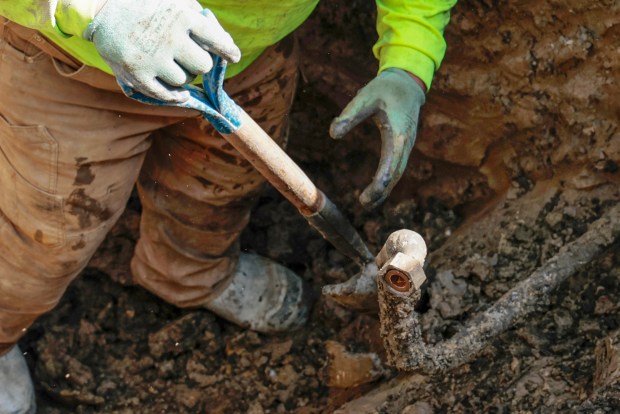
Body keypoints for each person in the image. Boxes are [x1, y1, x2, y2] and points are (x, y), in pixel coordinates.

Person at [0, 0, 456, 411]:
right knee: (45, 242)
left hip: (243, 59)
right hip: (71, 63)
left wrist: (410, 56)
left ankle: (190, 274)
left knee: (220, 191)